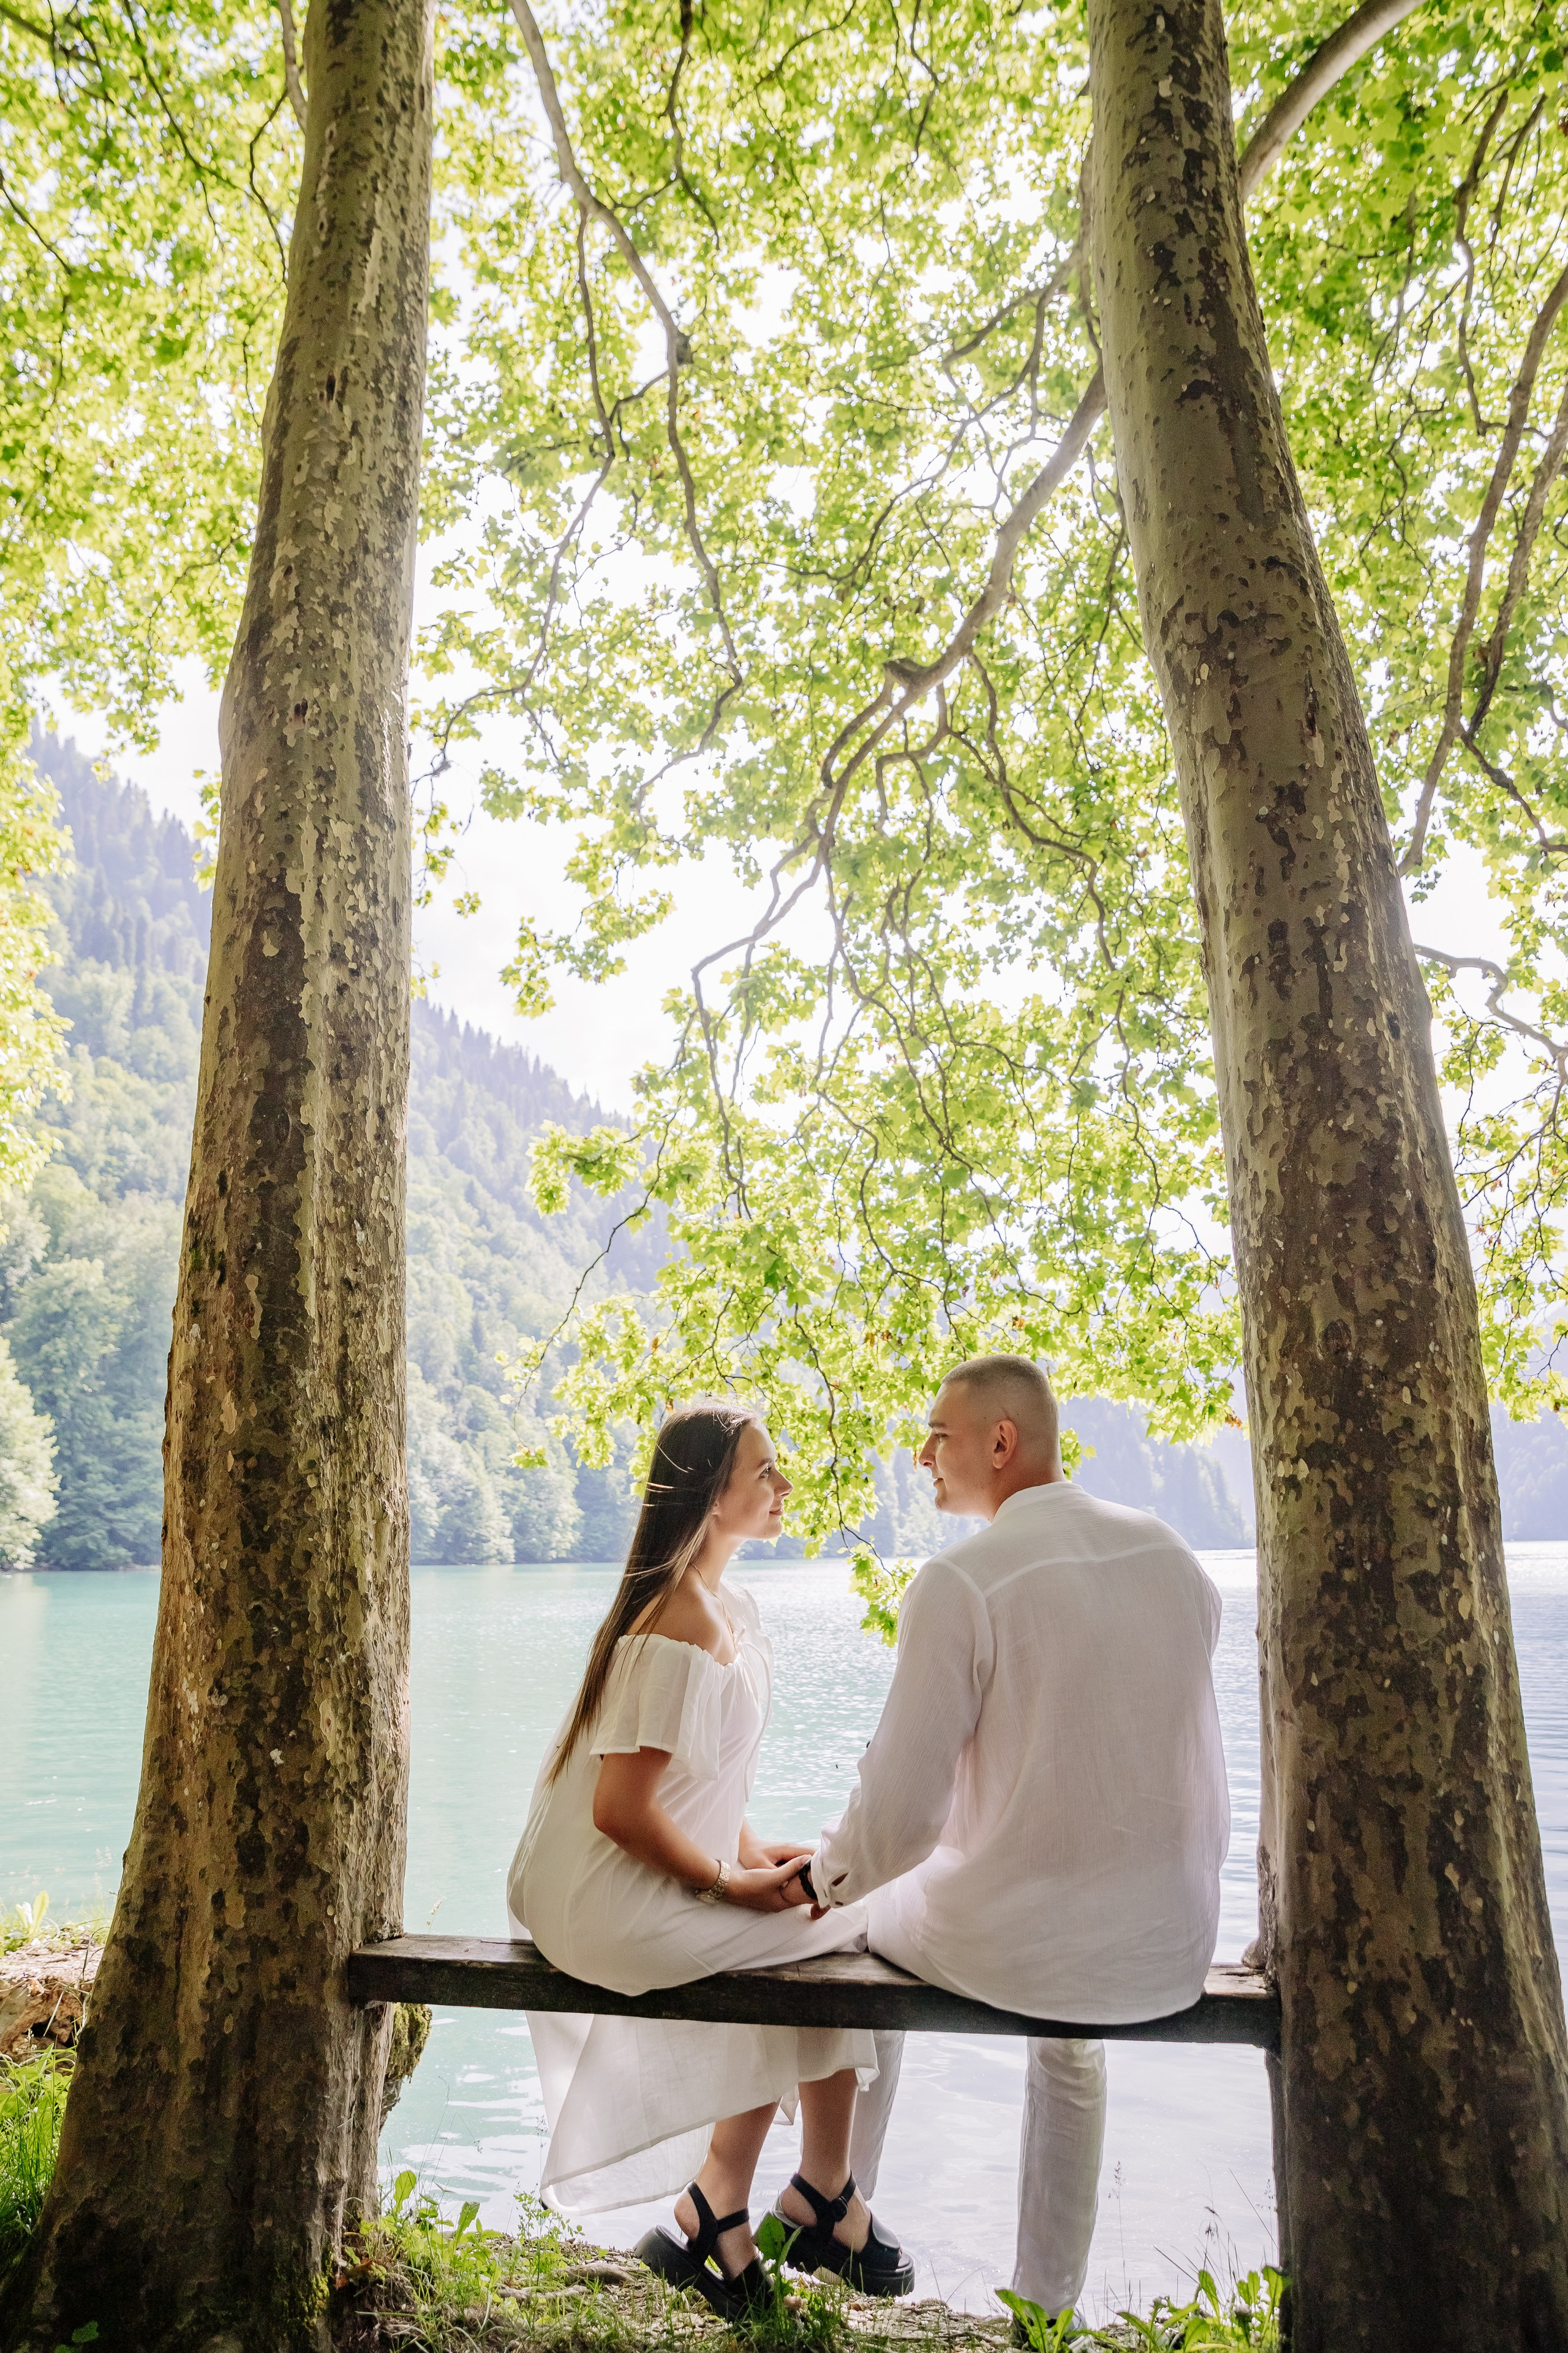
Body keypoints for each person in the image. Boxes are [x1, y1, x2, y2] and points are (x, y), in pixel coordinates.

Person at [794, 1355, 1230, 2327]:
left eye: (938, 1434)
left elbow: (902, 1818)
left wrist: (823, 1874)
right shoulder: (1173, 1555)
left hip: (1028, 1937)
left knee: (857, 1915)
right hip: (1170, 1940)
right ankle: (1044, 2314)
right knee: (1067, 2048)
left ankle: (833, 2203)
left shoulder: (961, 1579)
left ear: (1001, 1441)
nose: (921, 1454)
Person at [507, 1399, 913, 2316]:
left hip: (639, 1870)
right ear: (709, 1492)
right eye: (765, 1470)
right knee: (843, 1937)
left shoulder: (723, 1602)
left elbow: (702, 1772)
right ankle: (817, 2193)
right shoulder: (675, 1618)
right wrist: (728, 1881)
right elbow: (618, 1809)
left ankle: (721, 2205)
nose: (784, 1485)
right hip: (599, 1896)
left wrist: (748, 1845)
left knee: (825, 1910)